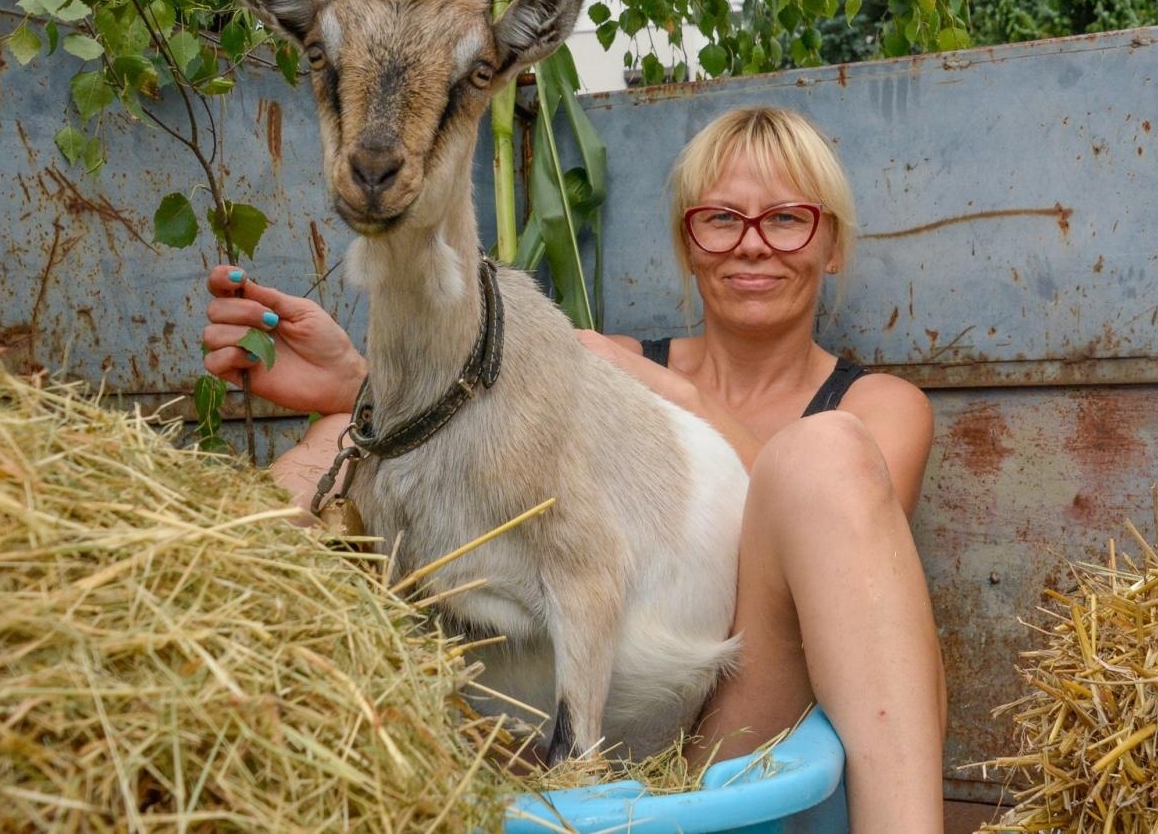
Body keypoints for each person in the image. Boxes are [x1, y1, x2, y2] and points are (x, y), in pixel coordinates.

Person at [199, 105, 947, 832]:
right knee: (342, 436)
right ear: (687, 243)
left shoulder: (877, 406)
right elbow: (471, 446)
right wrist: (360, 383)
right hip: (570, 726)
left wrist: (679, 394)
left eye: (787, 218)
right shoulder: (605, 370)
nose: (752, 244)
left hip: (737, 728)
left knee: (827, 452)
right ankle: (193, 603)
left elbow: (828, 528)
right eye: (720, 219)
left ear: (834, 243)